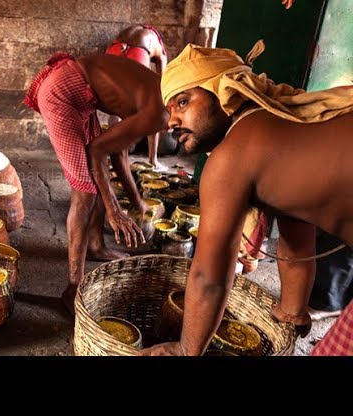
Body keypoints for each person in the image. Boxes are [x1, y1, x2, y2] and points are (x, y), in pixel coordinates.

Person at [136, 40, 353, 356]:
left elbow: (209, 276)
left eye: (182, 102)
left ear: (222, 90)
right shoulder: (279, 128)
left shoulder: (231, 156)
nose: (172, 121)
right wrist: (292, 308)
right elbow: (296, 237)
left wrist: (185, 350)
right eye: (170, 110)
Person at [23, 52, 169, 313]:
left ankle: (95, 245)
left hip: (81, 95)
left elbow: (118, 153)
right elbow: (98, 152)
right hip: (62, 92)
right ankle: (72, 289)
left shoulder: (164, 92)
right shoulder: (161, 113)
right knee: (85, 191)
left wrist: (137, 203)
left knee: (99, 181)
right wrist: (114, 211)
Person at [106, 24, 169, 171]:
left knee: (116, 109)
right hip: (138, 53)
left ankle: (113, 158)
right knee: (154, 108)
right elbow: (162, 83)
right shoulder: (160, 49)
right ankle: (153, 161)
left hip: (114, 49)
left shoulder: (135, 31)